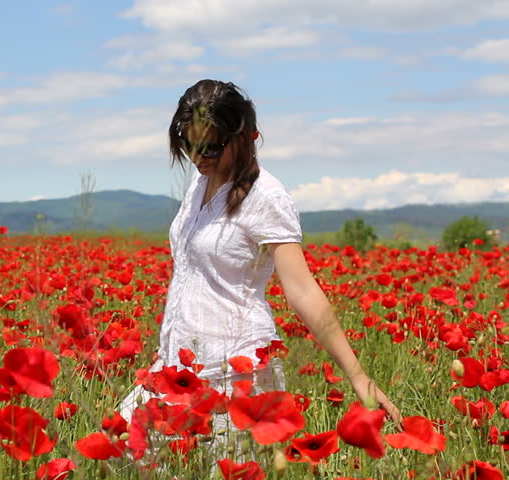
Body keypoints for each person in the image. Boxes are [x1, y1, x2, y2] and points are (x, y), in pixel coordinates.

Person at [118, 80, 400, 458]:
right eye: (189, 145)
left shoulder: (266, 198)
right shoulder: (200, 185)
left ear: (247, 138)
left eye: (212, 146)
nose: (199, 157)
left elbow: (302, 290)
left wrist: (358, 377)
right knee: (120, 446)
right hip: (180, 364)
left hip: (234, 373)